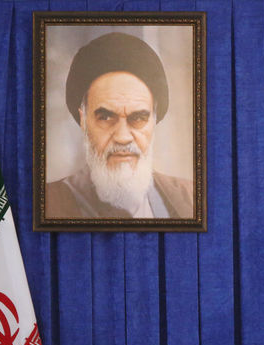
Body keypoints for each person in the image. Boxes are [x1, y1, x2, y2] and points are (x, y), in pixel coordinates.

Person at [46, 32, 193, 219]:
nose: (123, 137)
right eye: (106, 117)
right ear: (83, 119)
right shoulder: (49, 204)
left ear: (154, 120)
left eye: (138, 118)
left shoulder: (190, 199)